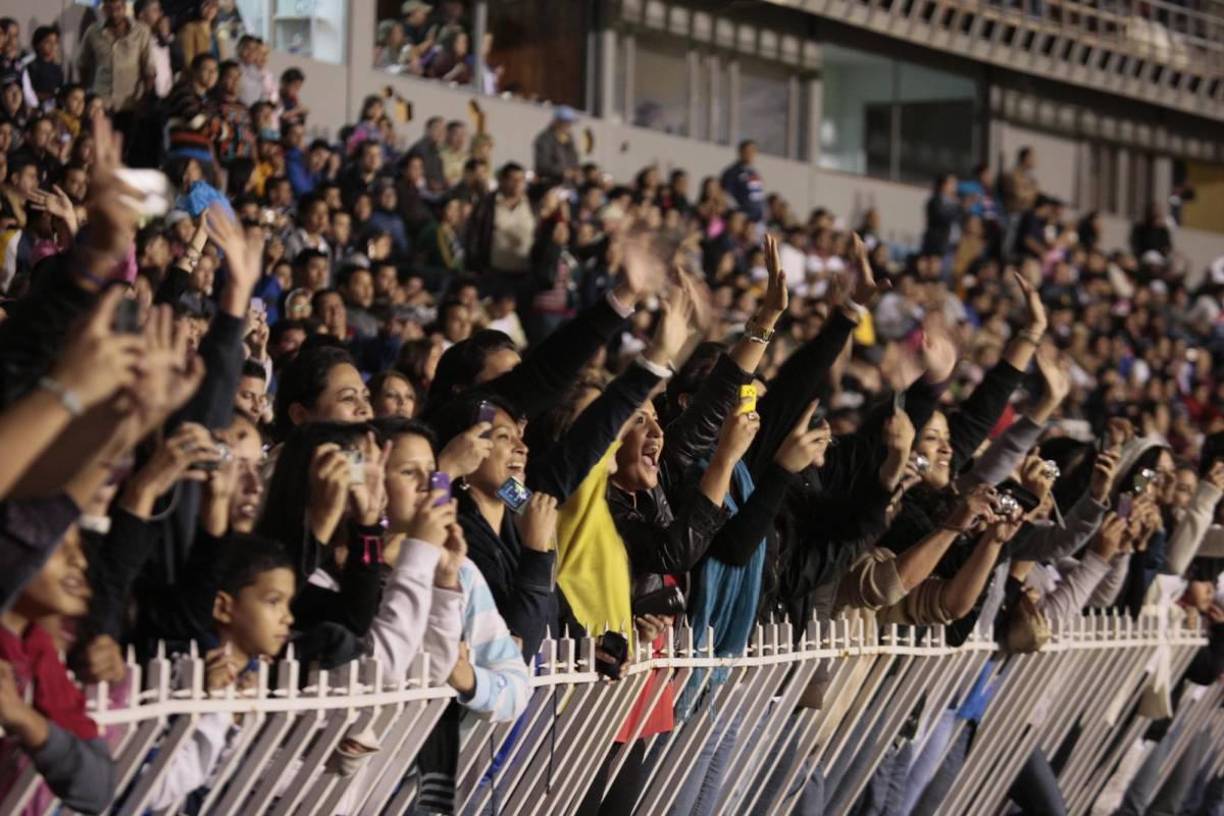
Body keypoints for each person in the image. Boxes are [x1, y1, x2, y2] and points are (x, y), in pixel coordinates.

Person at [533, 106, 580, 187]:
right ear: (556, 122)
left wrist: (576, 172)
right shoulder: (544, 139)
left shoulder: (569, 140)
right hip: (550, 185)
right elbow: (542, 165)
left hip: (569, 185)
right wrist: (563, 172)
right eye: (566, 122)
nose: (568, 126)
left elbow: (575, 161)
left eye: (570, 123)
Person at [720, 140, 765, 223]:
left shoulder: (755, 173)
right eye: (748, 151)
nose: (751, 154)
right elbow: (726, 195)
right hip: (742, 218)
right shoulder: (732, 172)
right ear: (741, 152)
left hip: (758, 218)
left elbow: (759, 196)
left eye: (753, 151)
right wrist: (738, 211)